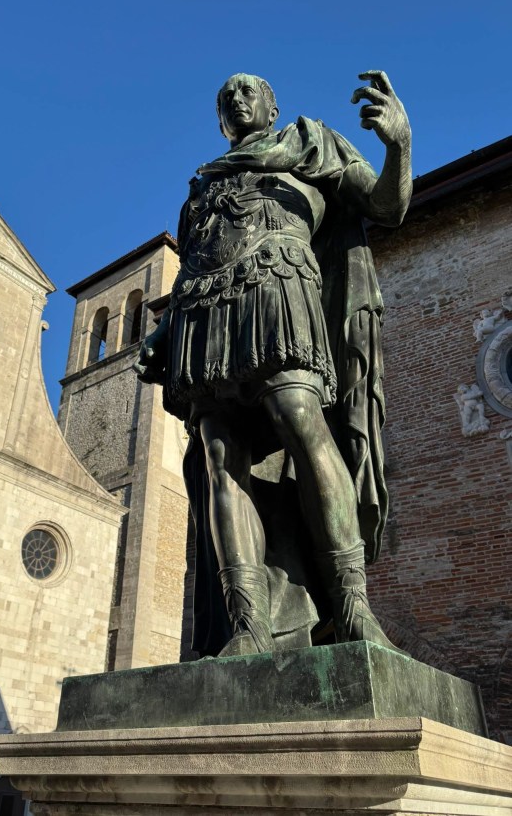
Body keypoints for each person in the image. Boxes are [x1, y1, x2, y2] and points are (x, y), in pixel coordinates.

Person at [135, 71, 412, 657]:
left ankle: (351, 606)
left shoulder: (312, 143)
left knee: (299, 415)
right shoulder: (202, 186)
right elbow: (194, 265)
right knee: (219, 453)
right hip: (204, 316)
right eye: (225, 96)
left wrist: (399, 146)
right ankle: (248, 625)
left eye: (247, 90)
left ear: (271, 104)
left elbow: (387, 206)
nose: (236, 98)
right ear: (220, 118)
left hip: (280, 291)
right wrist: (161, 332)